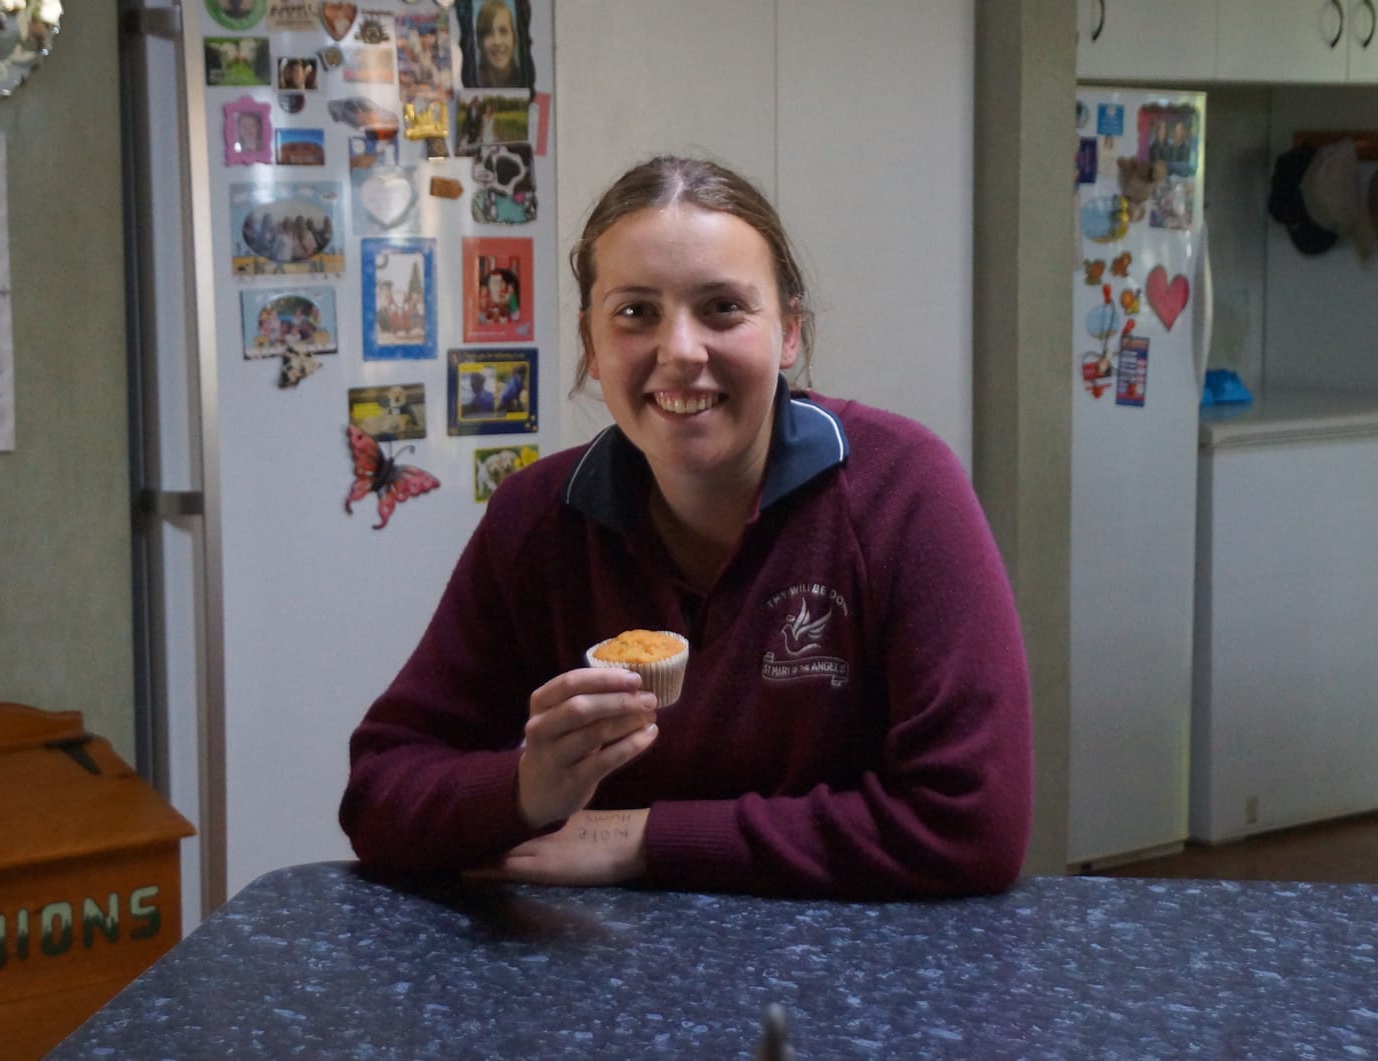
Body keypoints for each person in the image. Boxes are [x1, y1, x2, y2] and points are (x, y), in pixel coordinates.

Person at [340, 155, 1032, 898]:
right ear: (590, 343)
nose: (680, 352)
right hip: (603, 977)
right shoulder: (536, 518)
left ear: (789, 331)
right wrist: (525, 787)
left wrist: (646, 837)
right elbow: (380, 788)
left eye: (723, 308)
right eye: (636, 312)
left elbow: (973, 821)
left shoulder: (903, 491)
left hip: (855, 986)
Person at [471, 0, 524, 88]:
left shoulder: (528, 79)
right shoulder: (470, 81)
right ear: (479, 42)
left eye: (503, 31)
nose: (497, 41)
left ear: (514, 38)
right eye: (488, 33)